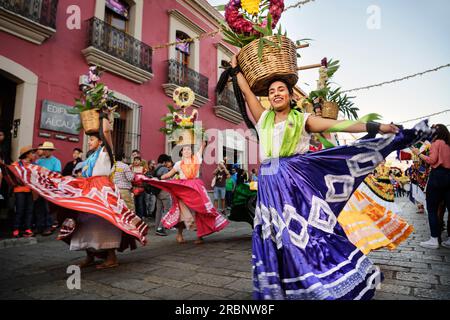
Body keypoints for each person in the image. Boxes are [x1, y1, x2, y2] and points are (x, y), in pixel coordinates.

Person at [230, 53, 431, 300]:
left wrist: (377, 127)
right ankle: (280, 289)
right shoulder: (263, 118)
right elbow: (247, 92)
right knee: (272, 237)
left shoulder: (303, 120)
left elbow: (338, 126)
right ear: (268, 98)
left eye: (281, 89)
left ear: (291, 95)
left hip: (295, 186)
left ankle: (320, 284)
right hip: (269, 186)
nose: (276, 93)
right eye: (271, 91)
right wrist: (236, 68)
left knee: (300, 235)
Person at [138, 142, 229, 245]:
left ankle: (200, 236)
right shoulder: (178, 164)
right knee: (182, 212)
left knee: (199, 211)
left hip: (195, 188)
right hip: (183, 189)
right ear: (181, 152)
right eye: (184, 149)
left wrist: (204, 142)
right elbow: (168, 174)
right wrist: (157, 178)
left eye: (189, 149)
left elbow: (202, 147)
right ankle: (179, 234)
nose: (186, 151)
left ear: (191, 152)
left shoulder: (196, 159)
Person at [411, 124, 450, 249]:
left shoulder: (436, 143)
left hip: (437, 176)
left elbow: (432, 161)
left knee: (432, 208)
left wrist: (418, 153)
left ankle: (434, 239)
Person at [35, 141, 62, 235]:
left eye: (46, 150)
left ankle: (49, 226)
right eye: (44, 150)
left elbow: (57, 174)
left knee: (48, 208)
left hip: (49, 188)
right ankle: (40, 226)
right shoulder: (39, 161)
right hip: (39, 188)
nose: (44, 152)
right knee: (39, 208)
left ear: (51, 151)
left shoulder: (56, 161)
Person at [11, 146, 36, 238]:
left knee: (29, 210)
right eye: (32, 153)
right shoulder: (16, 164)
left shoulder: (34, 165)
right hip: (19, 190)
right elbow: (13, 175)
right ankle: (16, 229)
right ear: (27, 154)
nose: (34, 155)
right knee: (20, 210)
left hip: (30, 190)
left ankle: (27, 229)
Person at [152, 154, 172, 236]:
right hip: (164, 192)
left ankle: (157, 228)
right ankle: (160, 228)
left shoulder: (156, 167)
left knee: (158, 211)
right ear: (164, 161)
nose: (168, 163)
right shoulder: (164, 169)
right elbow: (166, 180)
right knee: (168, 210)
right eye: (167, 161)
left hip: (157, 192)